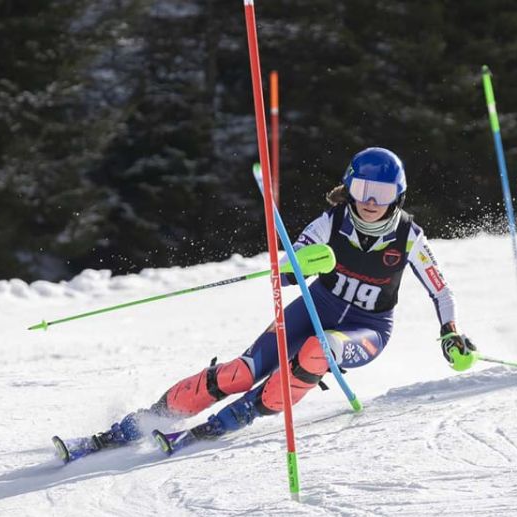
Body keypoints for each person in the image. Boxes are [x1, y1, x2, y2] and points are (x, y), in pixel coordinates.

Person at [93, 147, 476, 448]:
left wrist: (450, 331)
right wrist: (303, 264)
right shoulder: (332, 221)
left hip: (368, 329)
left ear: (398, 196)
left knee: (319, 349)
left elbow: (440, 288)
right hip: (315, 308)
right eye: (362, 190)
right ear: (350, 187)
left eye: (382, 194)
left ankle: (245, 412)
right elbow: (291, 267)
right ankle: (151, 417)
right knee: (240, 371)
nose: (370, 202)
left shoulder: (409, 235)